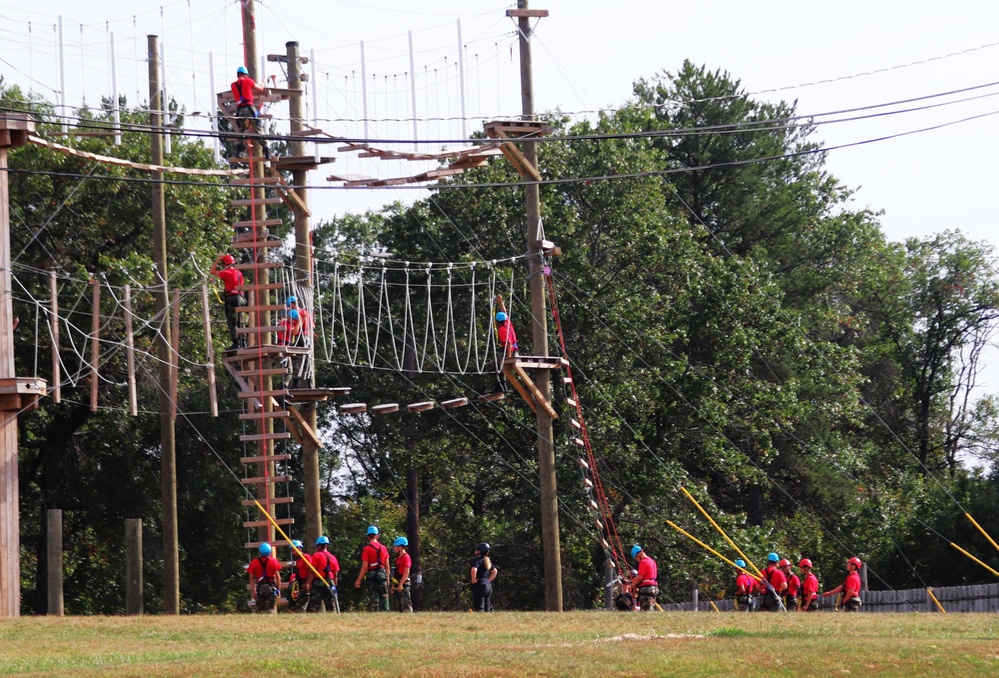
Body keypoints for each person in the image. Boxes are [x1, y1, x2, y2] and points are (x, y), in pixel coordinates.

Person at [230, 65, 269, 159]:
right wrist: (263, 82)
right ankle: (266, 150)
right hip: (249, 109)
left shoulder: (233, 85)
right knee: (258, 128)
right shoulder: (248, 81)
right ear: (246, 75)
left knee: (241, 130)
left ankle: (240, 150)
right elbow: (260, 88)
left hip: (240, 111)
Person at [210, 253, 246, 350]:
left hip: (232, 298)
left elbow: (212, 271)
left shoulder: (226, 273)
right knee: (240, 320)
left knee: (232, 321)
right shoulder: (239, 273)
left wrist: (217, 260)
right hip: (241, 298)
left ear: (225, 264)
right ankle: (243, 342)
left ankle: (235, 343)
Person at [354, 526, 390, 611]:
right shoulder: (383, 548)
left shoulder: (367, 549)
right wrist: (388, 579)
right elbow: (387, 566)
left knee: (374, 596)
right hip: (382, 573)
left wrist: (359, 580)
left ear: (368, 536)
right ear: (377, 536)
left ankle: (375, 611)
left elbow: (365, 567)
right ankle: (385, 611)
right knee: (384, 595)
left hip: (371, 574)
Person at [307, 535, 340, 613]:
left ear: (318, 546)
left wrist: (308, 583)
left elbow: (312, 571)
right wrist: (334, 586)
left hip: (318, 581)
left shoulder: (316, 555)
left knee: (313, 606)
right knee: (331, 605)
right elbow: (336, 574)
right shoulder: (333, 557)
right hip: (330, 582)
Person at [247, 542, 282, 613]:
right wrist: (278, 590)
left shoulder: (254, 562)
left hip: (260, 588)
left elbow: (251, 578)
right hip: (271, 587)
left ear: (260, 551)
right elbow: (278, 577)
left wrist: (254, 591)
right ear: (269, 552)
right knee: (271, 609)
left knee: (261, 610)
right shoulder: (274, 561)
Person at [469, 542, 498, 612]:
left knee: (480, 607)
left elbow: (473, 570)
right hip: (488, 587)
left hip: (480, 586)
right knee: (487, 606)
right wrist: (488, 580)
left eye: (478, 550)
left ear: (480, 551)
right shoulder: (487, 561)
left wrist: (473, 580)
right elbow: (495, 571)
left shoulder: (477, 560)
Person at [630, 545, 659, 611]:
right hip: (654, 587)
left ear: (639, 553)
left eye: (636, 557)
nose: (637, 560)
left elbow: (640, 577)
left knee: (646, 610)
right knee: (651, 607)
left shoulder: (643, 562)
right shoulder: (652, 561)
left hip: (647, 588)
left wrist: (633, 585)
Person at [287, 539, 312, 613]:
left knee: (301, 608)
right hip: (301, 584)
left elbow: (311, 571)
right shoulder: (298, 561)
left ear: (299, 549)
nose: (293, 553)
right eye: (291, 551)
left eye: (294, 550)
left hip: (307, 583)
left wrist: (308, 583)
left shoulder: (306, 557)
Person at [392, 536, 414, 613]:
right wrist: (394, 586)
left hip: (403, 581)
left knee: (406, 602)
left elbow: (406, 571)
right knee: (397, 604)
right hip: (397, 581)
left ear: (400, 547)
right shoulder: (398, 558)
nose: (394, 548)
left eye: (395, 546)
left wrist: (401, 584)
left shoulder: (406, 557)